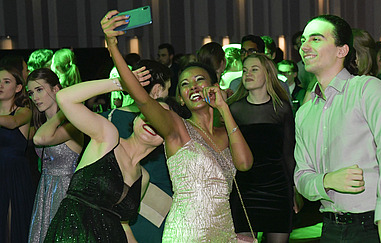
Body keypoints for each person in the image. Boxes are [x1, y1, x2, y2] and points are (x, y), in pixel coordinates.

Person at [102, 10, 253, 242]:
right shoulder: (177, 128)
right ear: (181, 98)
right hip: (187, 234)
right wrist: (112, 46)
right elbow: (142, 98)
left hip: (223, 232)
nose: (192, 86)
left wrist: (224, 108)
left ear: (214, 86)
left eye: (199, 80)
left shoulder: (227, 133)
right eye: (184, 84)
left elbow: (244, 164)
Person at [295, 15, 381, 243]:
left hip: (372, 226)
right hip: (329, 229)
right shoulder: (305, 113)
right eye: (304, 40)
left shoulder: (367, 90)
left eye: (316, 39)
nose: (304, 47)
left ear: (342, 50)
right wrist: (326, 180)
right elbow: (301, 177)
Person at [43, 67, 163, 242]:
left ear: (167, 138)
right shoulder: (108, 137)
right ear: (136, 117)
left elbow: (123, 224)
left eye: (161, 120)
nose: (153, 122)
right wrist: (120, 84)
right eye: (149, 114)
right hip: (74, 234)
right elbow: (64, 98)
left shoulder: (143, 177)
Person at [100, 59, 173, 243]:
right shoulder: (170, 123)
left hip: (117, 205)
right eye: (168, 90)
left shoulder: (110, 117)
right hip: (157, 209)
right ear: (156, 90)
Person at [228, 53, 296, 243]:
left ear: (268, 73)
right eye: (244, 70)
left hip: (278, 189)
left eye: (254, 69)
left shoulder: (281, 108)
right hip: (244, 189)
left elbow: (288, 154)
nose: (247, 74)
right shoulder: (233, 109)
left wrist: (293, 190)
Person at [26, 68, 83, 242]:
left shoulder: (71, 124)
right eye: (31, 93)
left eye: (39, 90)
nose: (35, 97)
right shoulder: (43, 124)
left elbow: (40, 138)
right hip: (45, 190)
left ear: (56, 89)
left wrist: (62, 111)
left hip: (66, 192)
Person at [0, 66, 34, 243]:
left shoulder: (24, 111)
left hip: (13, 174)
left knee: (12, 227)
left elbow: (12, 123)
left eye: (6, 82)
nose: (0, 85)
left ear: (18, 88)